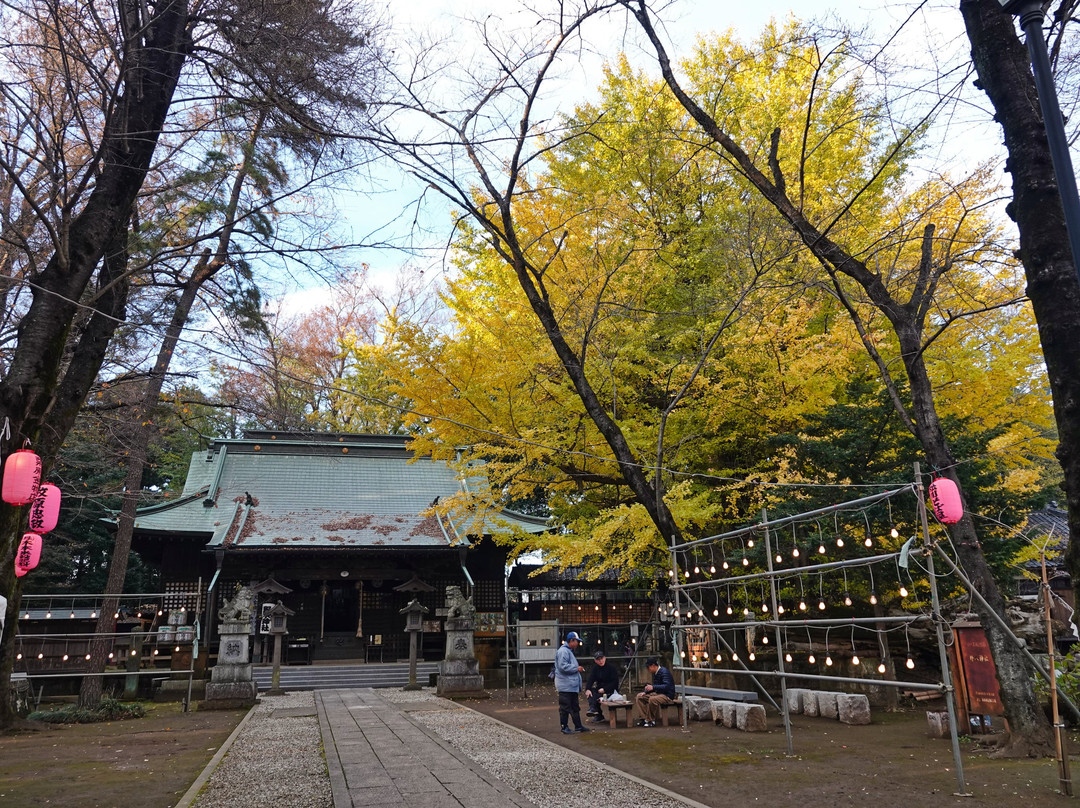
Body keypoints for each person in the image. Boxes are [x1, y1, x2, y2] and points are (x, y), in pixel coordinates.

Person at [554, 631, 590, 734]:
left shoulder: (567, 651)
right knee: (565, 707)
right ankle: (564, 727)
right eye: (576, 641)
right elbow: (562, 666)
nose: (578, 643)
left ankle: (578, 726)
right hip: (565, 685)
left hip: (569, 685)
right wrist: (576, 668)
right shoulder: (564, 651)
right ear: (571, 640)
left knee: (574, 706)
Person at [635, 656, 676, 727]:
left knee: (652, 699)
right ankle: (644, 718)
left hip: (667, 695)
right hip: (659, 693)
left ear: (653, 666)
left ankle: (651, 720)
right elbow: (655, 687)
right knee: (639, 697)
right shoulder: (655, 673)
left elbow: (666, 686)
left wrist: (653, 687)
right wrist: (646, 692)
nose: (648, 669)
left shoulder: (664, 672)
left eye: (648, 667)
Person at [584, 650, 621, 723]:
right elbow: (590, 679)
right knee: (591, 693)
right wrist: (587, 689)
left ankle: (594, 710)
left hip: (611, 690)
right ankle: (595, 711)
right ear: (595, 661)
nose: (600, 661)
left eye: (601, 658)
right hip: (599, 689)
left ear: (605, 658)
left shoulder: (611, 668)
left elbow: (615, 683)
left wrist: (605, 689)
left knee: (595, 696)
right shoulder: (595, 668)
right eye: (598, 659)